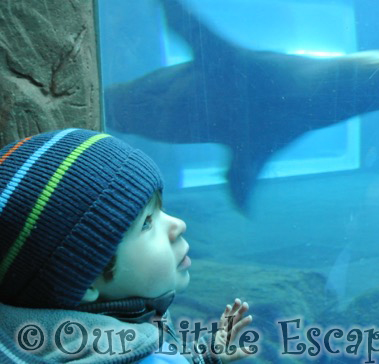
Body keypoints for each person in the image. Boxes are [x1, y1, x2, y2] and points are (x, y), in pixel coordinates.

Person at [0, 128, 253, 363]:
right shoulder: (133, 355)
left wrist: (205, 355)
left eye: (161, 210)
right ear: (86, 280)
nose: (178, 224)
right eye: (146, 223)